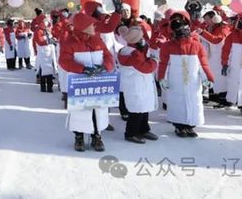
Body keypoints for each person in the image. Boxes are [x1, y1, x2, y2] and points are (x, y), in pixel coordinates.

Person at [59, 13, 114, 152]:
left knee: (98, 109)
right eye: (91, 25)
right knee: (80, 110)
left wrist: (105, 66)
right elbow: (64, 61)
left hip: (98, 80)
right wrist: (82, 69)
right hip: (79, 82)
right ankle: (79, 137)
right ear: (83, 27)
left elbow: (108, 56)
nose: (94, 26)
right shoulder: (70, 42)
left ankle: (97, 136)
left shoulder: (98, 41)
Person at [158, 11, 214, 138]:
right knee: (177, 102)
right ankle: (179, 126)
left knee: (193, 101)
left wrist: (208, 78)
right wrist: (162, 77)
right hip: (175, 81)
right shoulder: (168, 46)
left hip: (193, 81)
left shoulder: (196, 45)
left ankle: (190, 126)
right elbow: (164, 64)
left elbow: (203, 64)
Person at [117, 25, 159, 144]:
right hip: (137, 83)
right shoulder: (134, 54)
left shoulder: (128, 50)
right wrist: (154, 60)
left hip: (138, 83)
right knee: (137, 110)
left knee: (144, 108)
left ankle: (144, 129)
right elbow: (146, 67)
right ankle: (131, 133)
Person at [199, 9, 232, 107]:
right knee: (215, 77)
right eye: (205, 20)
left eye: (208, 19)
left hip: (222, 56)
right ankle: (216, 98)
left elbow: (217, 40)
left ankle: (225, 100)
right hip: (214, 56)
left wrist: (202, 33)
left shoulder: (223, 28)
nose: (206, 22)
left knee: (222, 78)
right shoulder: (211, 27)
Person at [32, 14, 58, 93]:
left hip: (49, 51)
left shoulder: (45, 30)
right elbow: (39, 41)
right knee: (44, 70)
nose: (47, 22)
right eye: (45, 21)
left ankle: (49, 86)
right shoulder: (38, 31)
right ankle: (43, 87)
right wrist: (48, 41)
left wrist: (52, 39)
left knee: (49, 69)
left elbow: (49, 36)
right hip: (43, 51)